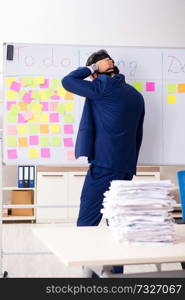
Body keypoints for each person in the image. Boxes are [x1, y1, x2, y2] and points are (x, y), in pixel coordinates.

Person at [62, 49, 145, 276]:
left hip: (103, 168)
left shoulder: (103, 87)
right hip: (126, 168)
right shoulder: (136, 95)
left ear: (97, 73)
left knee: (86, 224)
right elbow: (138, 136)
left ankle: (88, 279)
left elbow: (67, 81)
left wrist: (92, 69)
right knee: (118, 227)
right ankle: (115, 278)